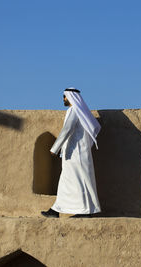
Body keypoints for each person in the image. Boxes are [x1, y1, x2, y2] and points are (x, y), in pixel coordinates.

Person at [41, 88, 101, 218]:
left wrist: (55, 148)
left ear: (70, 97)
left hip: (76, 154)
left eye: (64, 96)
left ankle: (85, 211)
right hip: (76, 154)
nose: (63, 99)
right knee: (68, 182)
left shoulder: (74, 111)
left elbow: (67, 129)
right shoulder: (79, 111)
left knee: (78, 182)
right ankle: (56, 210)